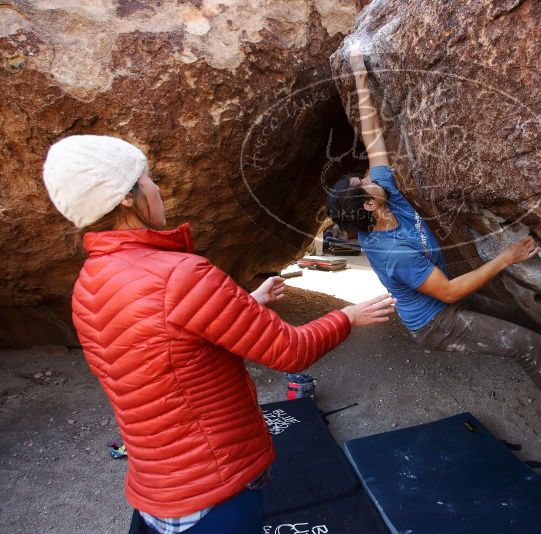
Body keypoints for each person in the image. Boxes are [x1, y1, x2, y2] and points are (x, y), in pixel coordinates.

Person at [42, 135, 396, 534]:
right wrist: (348, 316)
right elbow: (289, 351)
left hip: (157, 483)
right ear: (128, 197)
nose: (157, 188)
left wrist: (243, 304)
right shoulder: (181, 275)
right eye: (148, 178)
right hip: (215, 481)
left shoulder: (88, 282)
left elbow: (163, 342)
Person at [327, 42, 541, 433]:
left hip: (446, 296)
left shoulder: (385, 196)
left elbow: (373, 138)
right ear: (367, 206)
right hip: (435, 321)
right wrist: (506, 258)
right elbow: (446, 292)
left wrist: (361, 79)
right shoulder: (393, 251)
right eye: (362, 182)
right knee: (523, 344)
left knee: (516, 315)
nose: (367, 176)